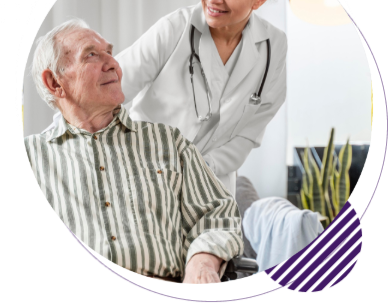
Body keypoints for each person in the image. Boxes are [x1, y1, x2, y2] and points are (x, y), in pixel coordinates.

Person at [43, 0, 287, 197]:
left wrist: (199, 168)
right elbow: (107, 87)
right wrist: (53, 145)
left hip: (212, 186)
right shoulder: (177, 28)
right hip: (145, 174)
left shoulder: (273, 47)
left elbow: (248, 134)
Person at [24, 20, 244, 284]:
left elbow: (218, 214)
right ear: (54, 82)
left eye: (110, 53)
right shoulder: (33, 158)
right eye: (91, 54)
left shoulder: (168, 142)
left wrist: (202, 263)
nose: (114, 64)